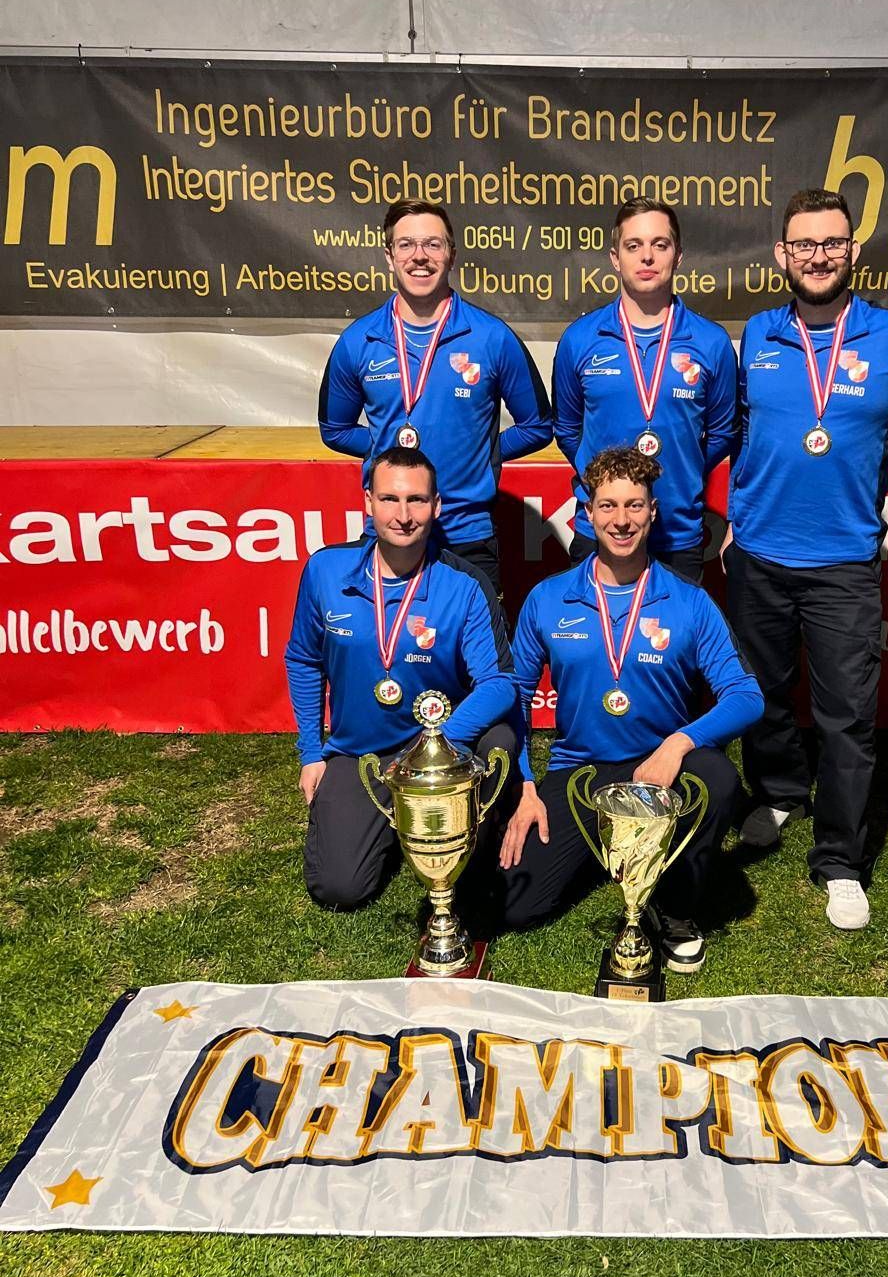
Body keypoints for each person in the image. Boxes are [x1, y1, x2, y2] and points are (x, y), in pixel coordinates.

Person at [723, 188, 888, 932]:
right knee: (764, 693)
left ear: (853, 251)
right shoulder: (758, 333)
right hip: (758, 553)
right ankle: (780, 790)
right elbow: (743, 431)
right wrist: (736, 517)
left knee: (848, 717)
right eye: (804, 244)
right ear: (782, 254)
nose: (818, 257)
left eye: (832, 243)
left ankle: (840, 861)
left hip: (845, 560)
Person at [499, 446, 763, 971]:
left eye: (634, 505)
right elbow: (515, 699)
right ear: (588, 513)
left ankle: (676, 906)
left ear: (653, 512)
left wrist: (679, 743)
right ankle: (615, 849)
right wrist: (525, 786)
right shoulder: (549, 599)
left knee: (717, 779)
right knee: (517, 905)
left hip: (660, 771)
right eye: (609, 506)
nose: (621, 520)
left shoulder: (688, 601)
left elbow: (746, 694)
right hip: (582, 771)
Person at [284, 446, 517, 912]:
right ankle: (388, 824)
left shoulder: (465, 583)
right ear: (368, 502)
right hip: (361, 753)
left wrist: (436, 743)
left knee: (500, 741)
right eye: (390, 499)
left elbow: (499, 682)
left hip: (441, 751)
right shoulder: (325, 571)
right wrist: (311, 753)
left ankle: (472, 834)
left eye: (416, 500)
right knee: (340, 889)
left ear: (437, 506)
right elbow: (304, 659)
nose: (404, 515)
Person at [318, 198, 552, 599]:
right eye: (406, 245)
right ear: (389, 256)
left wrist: (482, 451)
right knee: (387, 641)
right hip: (389, 532)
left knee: (477, 642)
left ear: (452, 255)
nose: (419, 256)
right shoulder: (359, 340)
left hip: (467, 536)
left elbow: (538, 425)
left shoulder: (492, 337)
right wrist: (384, 448)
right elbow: (334, 429)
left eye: (433, 244)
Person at [552, 198, 737, 583]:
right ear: (615, 258)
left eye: (660, 244)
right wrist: (602, 477)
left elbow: (722, 433)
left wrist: (682, 470)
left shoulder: (712, 343)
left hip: (677, 533)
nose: (647, 256)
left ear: (678, 255)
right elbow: (567, 429)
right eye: (633, 245)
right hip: (600, 529)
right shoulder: (580, 339)